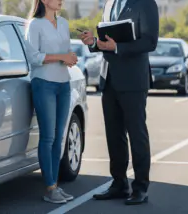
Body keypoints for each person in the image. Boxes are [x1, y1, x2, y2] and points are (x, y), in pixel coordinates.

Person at [79, 0, 159, 205]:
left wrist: (118, 47)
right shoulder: (108, 4)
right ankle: (119, 183)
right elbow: (108, 41)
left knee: (137, 134)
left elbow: (150, 41)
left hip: (133, 80)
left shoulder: (145, 3)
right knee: (114, 135)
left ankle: (141, 188)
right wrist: (93, 42)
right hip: (109, 78)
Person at [25, 0, 78, 204]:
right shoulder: (35, 25)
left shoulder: (63, 23)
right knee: (47, 137)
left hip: (63, 85)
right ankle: (49, 188)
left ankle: (55, 185)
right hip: (43, 84)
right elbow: (33, 56)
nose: (61, 0)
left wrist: (70, 57)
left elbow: (67, 51)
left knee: (59, 137)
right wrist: (60, 57)